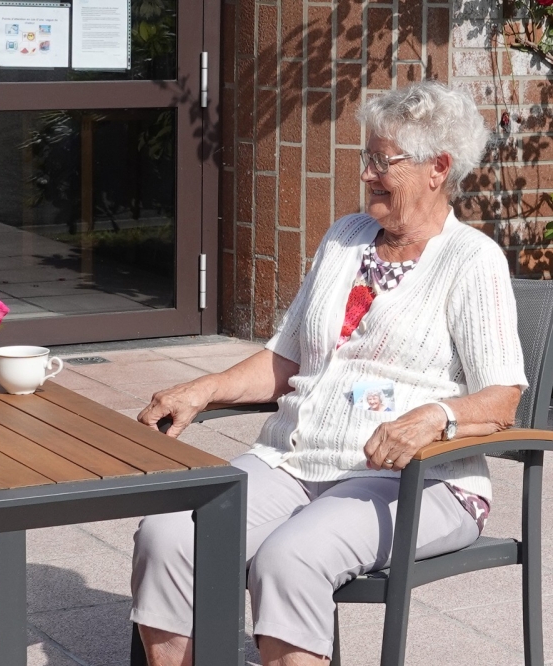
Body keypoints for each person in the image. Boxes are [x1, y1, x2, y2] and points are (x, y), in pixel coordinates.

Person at [130, 80, 526, 666]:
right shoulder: (344, 238)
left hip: (417, 481)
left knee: (289, 558)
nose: (365, 174)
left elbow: (501, 401)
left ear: (437, 167)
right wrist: (203, 389)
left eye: (380, 161)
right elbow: (287, 357)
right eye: (364, 157)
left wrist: (434, 416)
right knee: (170, 535)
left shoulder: (472, 261)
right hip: (294, 461)